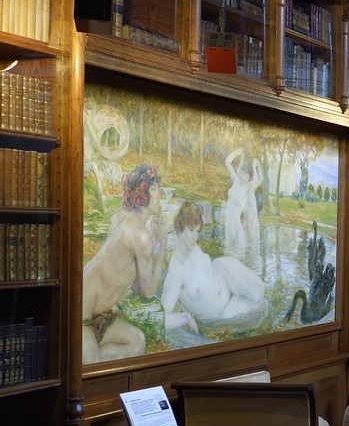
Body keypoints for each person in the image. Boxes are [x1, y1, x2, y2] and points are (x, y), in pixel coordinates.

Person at [82, 164, 167, 363]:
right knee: (89, 365)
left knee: (137, 342)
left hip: (101, 316)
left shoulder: (122, 217)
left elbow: (135, 284)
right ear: (142, 194)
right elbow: (148, 292)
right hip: (82, 315)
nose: (159, 194)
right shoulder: (140, 236)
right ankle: (88, 355)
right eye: (154, 189)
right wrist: (162, 247)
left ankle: (89, 355)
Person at [161, 200, 268, 337]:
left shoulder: (192, 246)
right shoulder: (177, 268)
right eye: (191, 230)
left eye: (198, 231)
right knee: (258, 310)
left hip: (225, 273)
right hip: (223, 312)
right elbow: (162, 317)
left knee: (259, 291)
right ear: (179, 227)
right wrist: (185, 318)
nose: (195, 237)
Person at [223, 148, 262, 264]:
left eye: (246, 175)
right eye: (243, 173)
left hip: (236, 226)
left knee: (238, 256)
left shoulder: (248, 190)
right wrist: (237, 153)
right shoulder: (235, 180)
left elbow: (259, 180)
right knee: (229, 257)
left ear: (249, 178)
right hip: (228, 225)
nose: (244, 176)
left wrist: (257, 166)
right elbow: (227, 162)